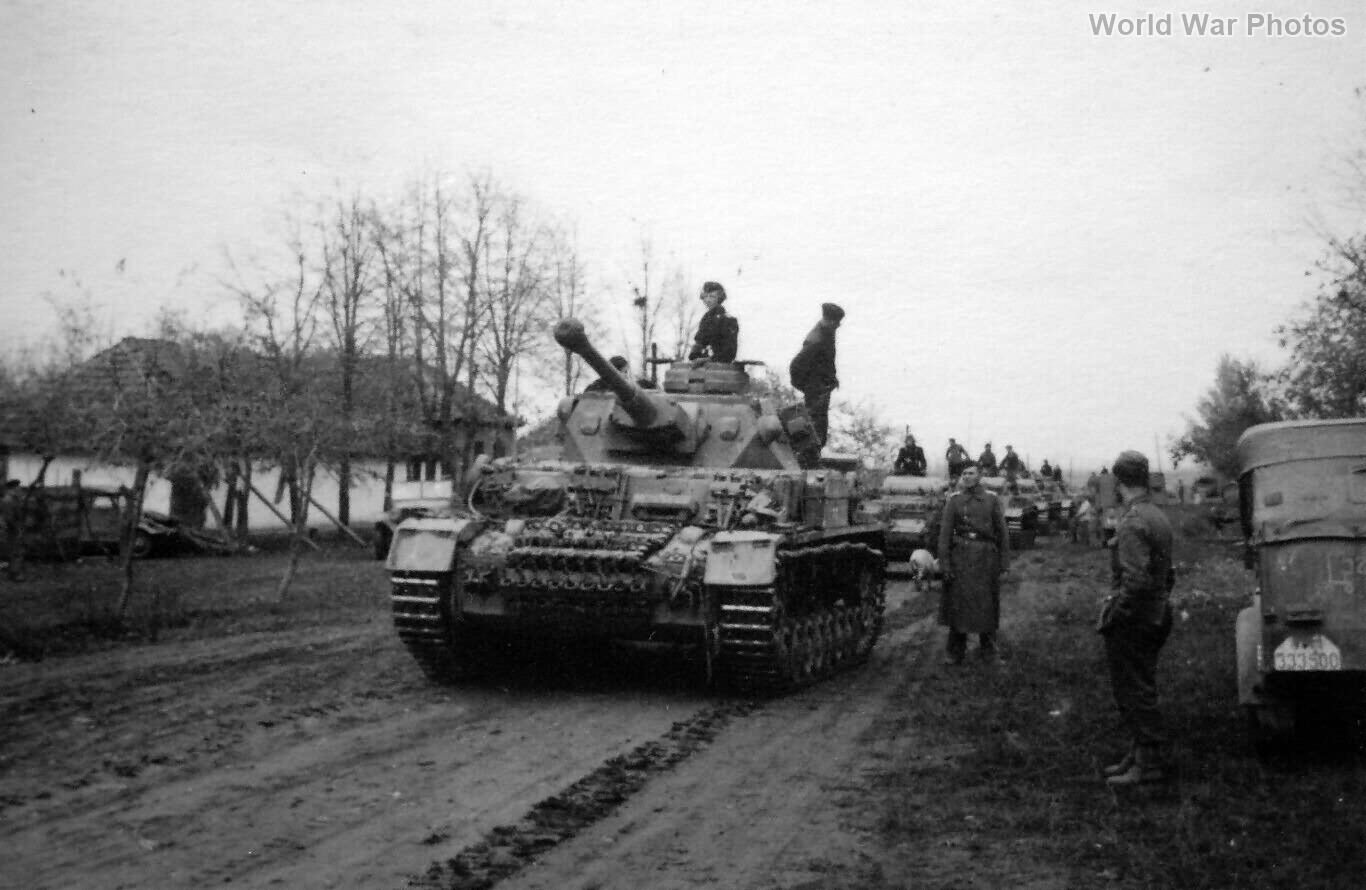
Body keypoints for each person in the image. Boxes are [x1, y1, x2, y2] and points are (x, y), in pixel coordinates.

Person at [1097, 450, 1175, 786]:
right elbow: (1165, 574)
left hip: (1137, 617)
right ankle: (1139, 754)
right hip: (1156, 611)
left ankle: (1149, 763)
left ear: (1118, 481)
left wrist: (1119, 614)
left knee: (1134, 691)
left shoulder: (1132, 522)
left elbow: (1136, 580)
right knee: (1139, 686)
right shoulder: (1156, 515)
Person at [936, 461, 1011, 665]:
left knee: (987, 605)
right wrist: (945, 564)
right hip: (960, 558)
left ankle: (989, 651)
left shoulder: (991, 500)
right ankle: (954, 652)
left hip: (986, 559)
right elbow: (944, 536)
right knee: (958, 606)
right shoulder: (954, 501)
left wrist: (1004, 563)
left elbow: (1002, 533)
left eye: (971, 473)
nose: (967, 476)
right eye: (964, 473)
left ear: (980, 476)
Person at [789, 302, 843, 447]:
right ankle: (810, 454)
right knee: (815, 424)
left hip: (822, 385)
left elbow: (827, 360)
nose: (839, 326)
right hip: (816, 387)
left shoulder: (827, 332)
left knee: (819, 424)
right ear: (831, 321)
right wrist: (807, 386)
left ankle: (814, 451)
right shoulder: (816, 339)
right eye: (837, 322)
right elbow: (796, 365)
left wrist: (832, 377)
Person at [688, 281, 739, 363]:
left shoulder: (728, 320)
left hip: (720, 367)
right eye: (705, 296)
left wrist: (707, 360)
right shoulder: (705, 319)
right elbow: (700, 342)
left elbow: (729, 353)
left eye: (712, 296)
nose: (708, 300)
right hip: (703, 366)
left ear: (719, 298)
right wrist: (694, 355)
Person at [2, 480, 25, 581]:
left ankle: (13, 572)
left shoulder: (13, 499)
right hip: (11, 529)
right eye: (17, 487)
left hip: (13, 528)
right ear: (12, 489)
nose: (19, 489)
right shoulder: (8, 500)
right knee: (16, 552)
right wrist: (16, 528)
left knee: (16, 551)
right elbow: (9, 518)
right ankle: (14, 574)